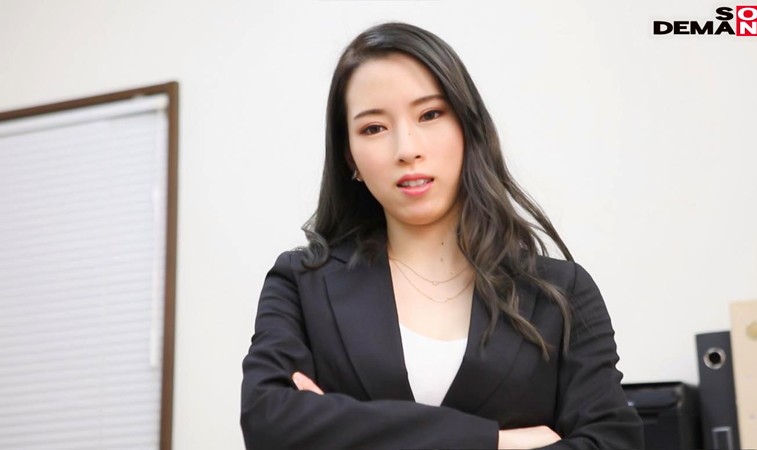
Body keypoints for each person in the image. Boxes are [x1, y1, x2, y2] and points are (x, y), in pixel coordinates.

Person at [241, 22, 643, 449]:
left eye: (430, 115)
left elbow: (612, 442)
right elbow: (269, 423)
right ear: (350, 157)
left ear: (468, 127)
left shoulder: (560, 293)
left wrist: (343, 429)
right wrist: (493, 441)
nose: (406, 149)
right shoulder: (302, 283)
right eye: (373, 128)